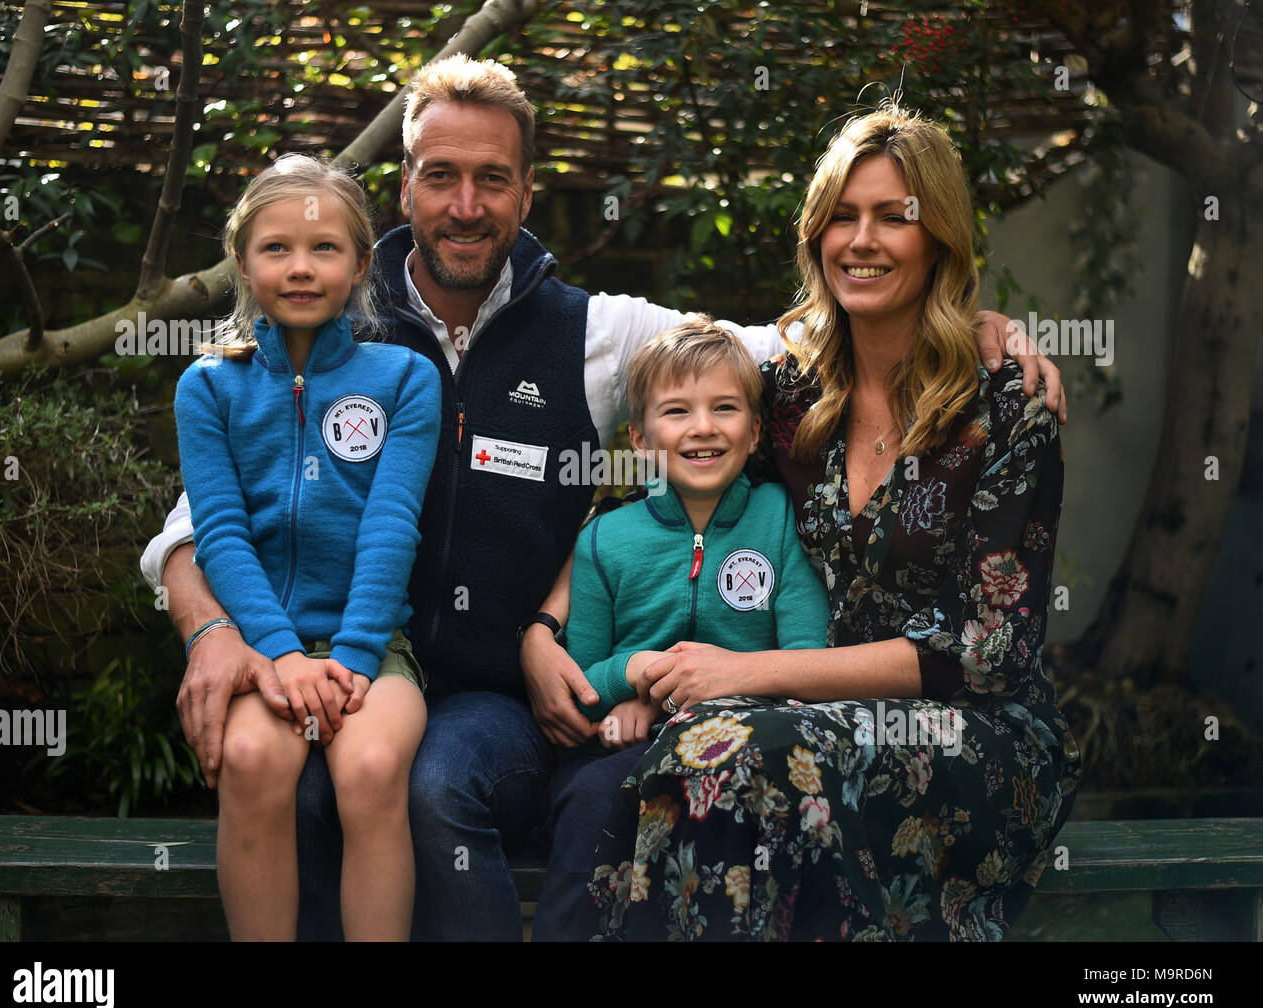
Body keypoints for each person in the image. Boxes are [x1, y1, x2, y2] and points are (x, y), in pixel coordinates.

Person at [140, 55, 1067, 941]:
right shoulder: (334, 318)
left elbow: (744, 354)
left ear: (529, 192)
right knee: (294, 787)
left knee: (430, 785)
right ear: (405, 186)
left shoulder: (597, 333)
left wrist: (971, 319)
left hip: (504, 700)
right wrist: (211, 630)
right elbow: (206, 514)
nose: (466, 206)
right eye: (441, 177)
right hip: (347, 662)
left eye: (494, 180)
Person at [564, 105, 1081, 940]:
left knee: (734, 749)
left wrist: (751, 674)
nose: (862, 239)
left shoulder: (1007, 408)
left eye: (893, 217)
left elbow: (985, 655)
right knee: (712, 748)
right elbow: (672, 495)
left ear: (940, 239)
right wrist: (546, 625)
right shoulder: (786, 396)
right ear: (816, 235)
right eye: (843, 215)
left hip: (978, 733)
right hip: (794, 714)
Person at [172, 153, 440, 940]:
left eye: (324, 249)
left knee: (368, 768)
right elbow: (218, 532)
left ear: (361, 263)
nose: (300, 267)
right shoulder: (208, 388)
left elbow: (393, 526)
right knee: (252, 762)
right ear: (244, 264)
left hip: (374, 647)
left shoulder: (404, 379)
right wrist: (282, 655)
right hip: (263, 651)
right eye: (277, 248)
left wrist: (355, 656)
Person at [529, 318, 832, 939]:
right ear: (640, 438)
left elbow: (806, 656)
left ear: (753, 433)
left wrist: (703, 706)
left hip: (750, 738)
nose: (703, 426)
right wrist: (633, 680)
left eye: (725, 408)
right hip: (624, 750)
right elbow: (586, 675)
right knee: (592, 803)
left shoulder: (782, 520)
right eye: (676, 411)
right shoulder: (604, 540)